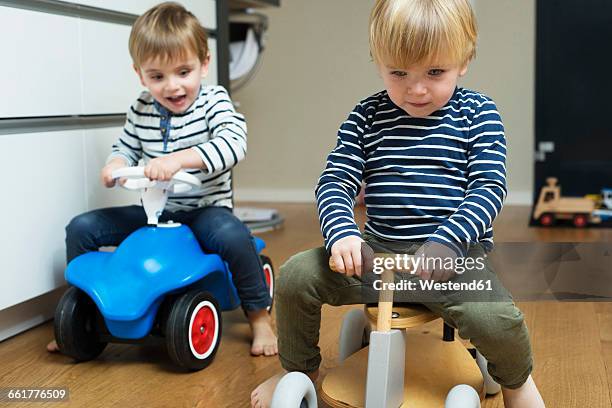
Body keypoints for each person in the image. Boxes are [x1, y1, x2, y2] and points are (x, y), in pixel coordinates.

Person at [251, 0, 545, 406]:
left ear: (465, 60)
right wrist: (343, 236)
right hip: (380, 254)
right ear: (378, 62)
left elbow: (488, 188)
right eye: (398, 72)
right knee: (295, 277)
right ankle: (300, 370)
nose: (416, 88)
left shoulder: (478, 113)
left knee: (497, 319)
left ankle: (516, 384)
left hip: (451, 256)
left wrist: (448, 242)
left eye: (435, 72)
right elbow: (336, 180)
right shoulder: (367, 117)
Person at [47, 2, 277, 357]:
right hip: (155, 214)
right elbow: (124, 145)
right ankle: (84, 313)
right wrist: (115, 165)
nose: (172, 86)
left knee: (233, 235)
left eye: (183, 72)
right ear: (140, 75)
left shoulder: (214, 101)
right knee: (83, 227)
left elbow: (233, 144)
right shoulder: (141, 108)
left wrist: (178, 160)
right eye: (157, 77)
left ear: (204, 63)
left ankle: (259, 317)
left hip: (204, 210)